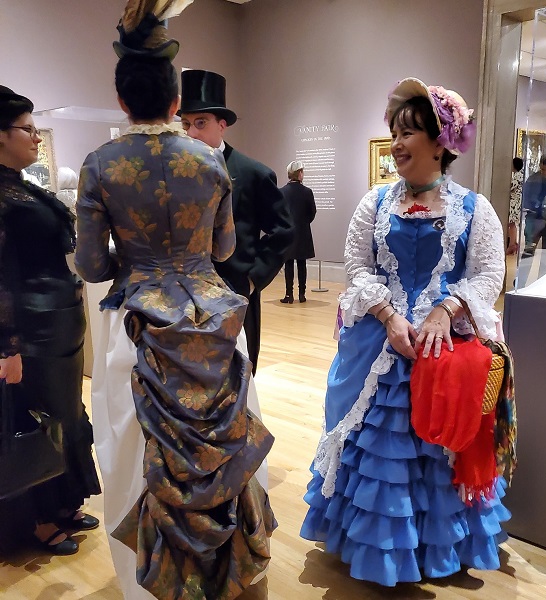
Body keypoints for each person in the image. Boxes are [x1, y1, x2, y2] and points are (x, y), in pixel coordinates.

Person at [75, 4, 276, 599]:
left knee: (139, 453)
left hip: (140, 329)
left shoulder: (100, 165)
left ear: (122, 101)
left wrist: (131, 263)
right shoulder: (208, 161)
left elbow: (89, 264)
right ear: (174, 103)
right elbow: (225, 246)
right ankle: (231, 567)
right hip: (210, 322)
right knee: (224, 442)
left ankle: (161, 578)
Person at [300, 78, 514, 586]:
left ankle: (437, 548)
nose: (396, 144)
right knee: (380, 449)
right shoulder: (374, 204)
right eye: (393, 133)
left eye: (408, 133)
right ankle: (376, 548)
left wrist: (446, 309)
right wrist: (389, 316)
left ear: (441, 142)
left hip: (444, 346)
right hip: (382, 343)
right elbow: (356, 265)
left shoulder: (473, 208)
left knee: (437, 443)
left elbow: (487, 274)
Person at [0, 86, 100, 555]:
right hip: (31, 333)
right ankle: (36, 520)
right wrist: (7, 347)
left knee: (65, 417)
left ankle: (62, 502)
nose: (36, 138)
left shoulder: (19, 185)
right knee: (39, 422)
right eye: (28, 129)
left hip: (58, 326)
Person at [179, 69, 293, 372]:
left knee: (238, 374)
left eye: (200, 123)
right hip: (185, 298)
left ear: (222, 124)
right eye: (186, 123)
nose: (191, 132)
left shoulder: (254, 173)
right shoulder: (175, 173)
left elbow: (283, 231)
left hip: (235, 292)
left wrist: (253, 278)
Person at [280, 160, 317, 303]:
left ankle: (289, 295)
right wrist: (304, 223)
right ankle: (302, 294)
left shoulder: (282, 192)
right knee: (302, 264)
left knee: (288, 263)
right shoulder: (307, 192)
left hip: (288, 233)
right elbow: (312, 212)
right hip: (303, 232)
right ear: (300, 173)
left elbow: (279, 213)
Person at [507, 156, 524, 255]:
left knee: (511, 224)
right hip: (516, 202)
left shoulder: (517, 176)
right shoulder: (519, 175)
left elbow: (510, 187)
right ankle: (513, 243)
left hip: (514, 203)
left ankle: (512, 244)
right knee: (512, 224)